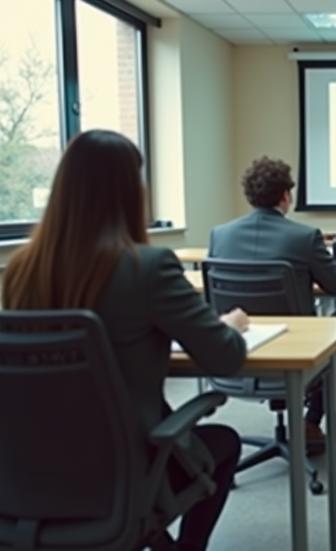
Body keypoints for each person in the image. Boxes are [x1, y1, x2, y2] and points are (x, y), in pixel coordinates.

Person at [1, 130, 248, 551]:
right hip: (119, 479)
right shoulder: (147, 267)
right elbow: (225, 359)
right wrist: (230, 325)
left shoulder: (19, 271)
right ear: (131, 192)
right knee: (224, 442)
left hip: (24, 483)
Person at [209, 156, 336, 443]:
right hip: (296, 353)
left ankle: (334, 390)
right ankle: (313, 418)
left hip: (235, 352)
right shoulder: (304, 236)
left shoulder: (220, 235)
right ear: (286, 195)